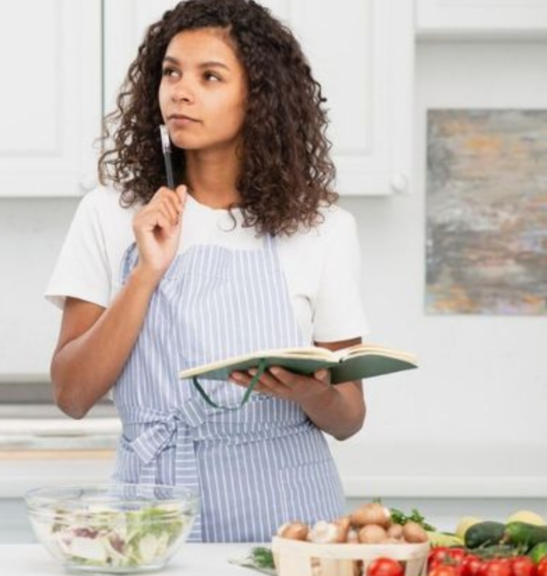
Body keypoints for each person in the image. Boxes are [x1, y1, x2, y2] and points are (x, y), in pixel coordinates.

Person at [44, 0, 368, 543]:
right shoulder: (111, 212)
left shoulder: (323, 230)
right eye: (171, 72)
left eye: (209, 76)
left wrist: (306, 392)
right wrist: (145, 273)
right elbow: (71, 395)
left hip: (288, 519)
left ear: (259, 99)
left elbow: (350, 416)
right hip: (152, 516)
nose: (180, 91)